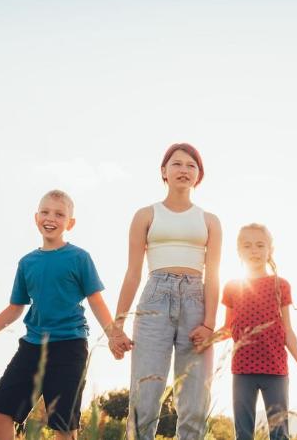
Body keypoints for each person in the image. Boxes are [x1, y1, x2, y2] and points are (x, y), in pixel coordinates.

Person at [0, 190, 118, 440]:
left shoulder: (79, 258)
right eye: (45, 212)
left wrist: (114, 334)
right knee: (0, 410)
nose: (51, 218)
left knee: (63, 424)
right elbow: (16, 307)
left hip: (70, 347)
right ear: (36, 217)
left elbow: (96, 299)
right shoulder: (27, 262)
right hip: (32, 347)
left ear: (70, 223)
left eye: (59, 214)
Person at [110, 143, 222, 440]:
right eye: (177, 164)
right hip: (154, 299)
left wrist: (210, 323)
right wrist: (116, 325)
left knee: (195, 400)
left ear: (199, 175)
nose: (184, 170)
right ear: (164, 171)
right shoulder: (146, 215)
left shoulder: (210, 220)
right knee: (145, 396)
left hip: (196, 303)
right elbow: (133, 272)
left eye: (191, 165)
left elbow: (214, 276)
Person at [219, 223, 297, 440]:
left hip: (275, 369)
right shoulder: (232, 287)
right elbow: (227, 329)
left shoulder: (280, 285)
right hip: (242, 369)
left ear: (270, 250)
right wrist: (203, 339)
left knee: (279, 432)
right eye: (247, 246)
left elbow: (287, 330)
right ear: (239, 251)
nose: (254, 251)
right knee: (243, 432)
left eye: (260, 245)